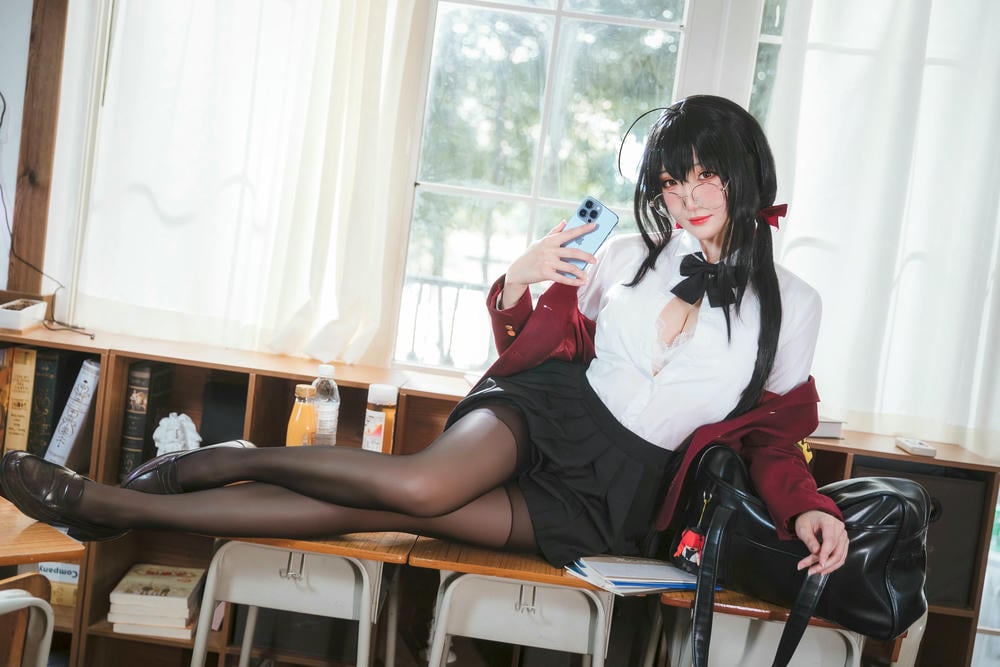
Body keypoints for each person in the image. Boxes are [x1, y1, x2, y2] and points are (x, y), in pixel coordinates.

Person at [0, 95, 848, 577]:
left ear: (745, 176)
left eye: (705, 177)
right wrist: (516, 279)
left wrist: (808, 508)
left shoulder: (794, 306)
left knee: (358, 511)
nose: (687, 197)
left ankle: (182, 477)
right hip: (548, 413)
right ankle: (149, 487)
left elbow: (773, 444)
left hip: (614, 492)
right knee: (416, 485)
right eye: (671, 181)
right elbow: (541, 341)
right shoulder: (627, 255)